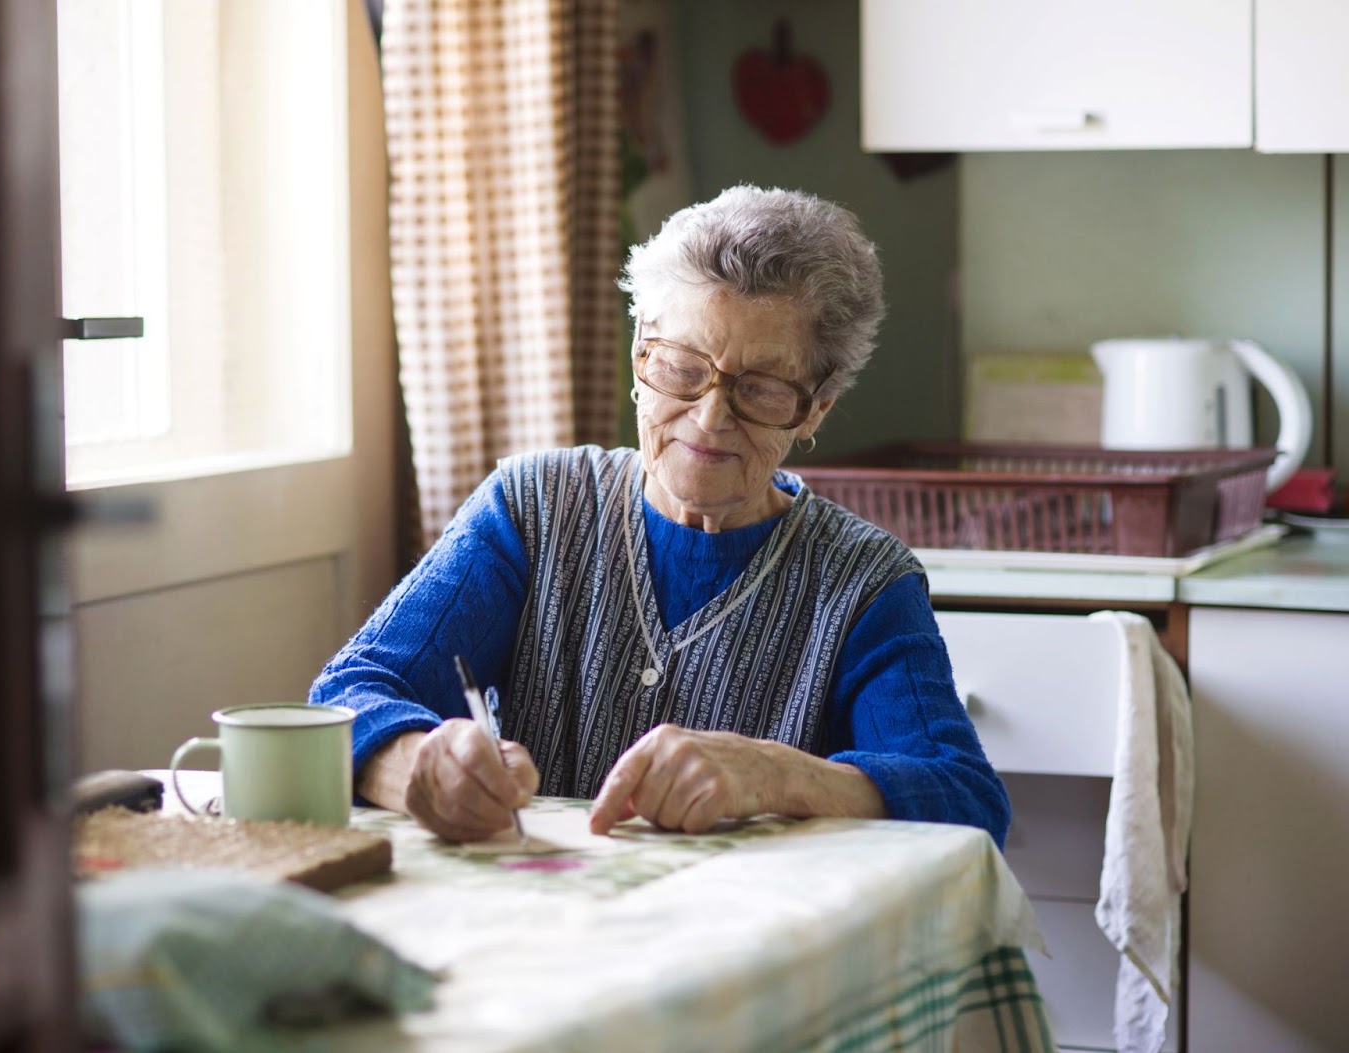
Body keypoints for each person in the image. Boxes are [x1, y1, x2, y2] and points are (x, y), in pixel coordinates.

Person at [309, 184, 1010, 847]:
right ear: (640, 351)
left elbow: (967, 801)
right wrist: (418, 766)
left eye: (760, 388)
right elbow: (345, 696)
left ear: (815, 407)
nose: (709, 417)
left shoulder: (861, 582)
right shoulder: (533, 508)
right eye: (680, 367)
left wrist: (778, 774)